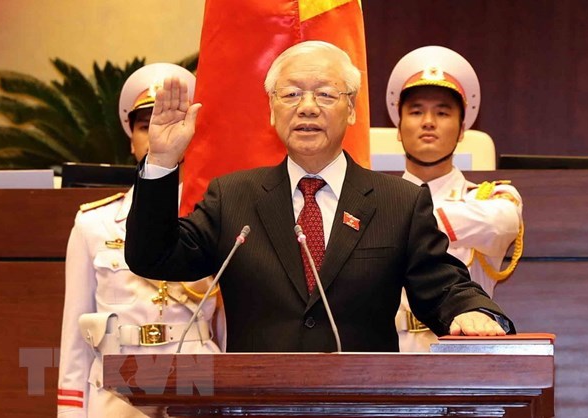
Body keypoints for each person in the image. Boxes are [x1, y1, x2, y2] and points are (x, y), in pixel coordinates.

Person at [125, 40, 515, 353]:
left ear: (350, 110)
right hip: (259, 405)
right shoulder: (233, 196)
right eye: (291, 94)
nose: (307, 107)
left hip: (362, 406)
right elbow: (153, 255)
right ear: (271, 110)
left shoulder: (398, 201)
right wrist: (161, 161)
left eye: (325, 94)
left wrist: (475, 311)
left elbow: (443, 286)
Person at [57, 63, 224, 418]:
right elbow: (75, 336)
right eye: (145, 127)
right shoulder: (94, 223)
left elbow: (228, 327)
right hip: (118, 389)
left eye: (171, 123)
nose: (156, 135)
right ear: (131, 138)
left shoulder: (213, 216)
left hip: (199, 381)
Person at [386, 46, 524, 351]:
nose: (428, 122)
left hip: (462, 350)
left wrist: (394, 219)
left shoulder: (492, 198)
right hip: (389, 355)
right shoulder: (376, 202)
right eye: (416, 111)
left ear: (462, 129)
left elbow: (503, 224)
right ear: (398, 127)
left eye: (443, 112)